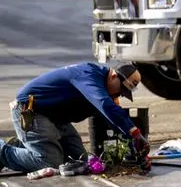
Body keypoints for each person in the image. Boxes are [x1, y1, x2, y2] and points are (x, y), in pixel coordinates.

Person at [0, 62, 148, 174]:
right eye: (121, 90)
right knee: (49, 162)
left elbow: (114, 119)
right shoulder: (89, 75)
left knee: (80, 159)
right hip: (32, 110)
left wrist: (135, 150)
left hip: (54, 117)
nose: (120, 95)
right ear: (114, 76)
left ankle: (23, 144)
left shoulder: (105, 89)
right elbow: (106, 105)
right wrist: (134, 132)